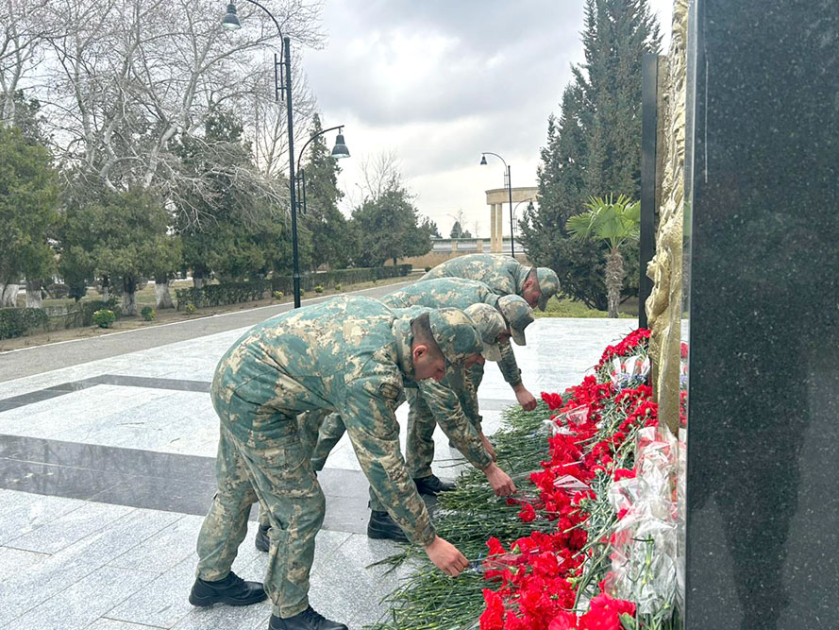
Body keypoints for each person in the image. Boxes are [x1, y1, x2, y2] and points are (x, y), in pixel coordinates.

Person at [189, 296, 482, 630]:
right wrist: (429, 540)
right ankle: (289, 616)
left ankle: (211, 580)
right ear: (420, 353)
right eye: (440, 370)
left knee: (237, 489)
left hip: (238, 372)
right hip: (254, 400)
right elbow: (384, 466)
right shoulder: (371, 373)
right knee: (301, 506)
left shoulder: (396, 324)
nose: (438, 379)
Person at [420, 255, 559, 411]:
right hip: (425, 312)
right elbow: (499, 338)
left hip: (442, 313)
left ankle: (466, 426)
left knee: (470, 363)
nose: (532, 306)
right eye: (534, 300)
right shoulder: (502, 286)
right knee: (463, 372)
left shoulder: (513, 271)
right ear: (528, 284)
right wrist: (518, 388)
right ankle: (466, 429)